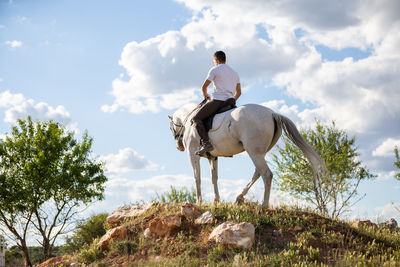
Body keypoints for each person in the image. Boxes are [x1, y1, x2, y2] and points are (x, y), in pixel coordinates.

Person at [192, 51, 241, 155]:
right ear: (225, 59)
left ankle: (206, 144)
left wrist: (206, 95)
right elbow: (239, 92)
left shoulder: (215, 69)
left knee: (196, 119)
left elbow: (204, 87)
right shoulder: (234, 72)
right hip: (230, 102)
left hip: (218, 101)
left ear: (216, 60)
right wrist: (232, 99)